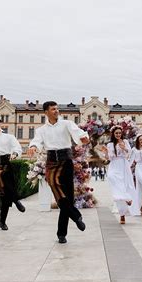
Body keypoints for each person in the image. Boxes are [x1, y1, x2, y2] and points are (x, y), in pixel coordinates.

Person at [28, 101, 89, 244]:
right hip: (51, 162)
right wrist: (32, 146)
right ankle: (76, 216)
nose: (56, 111)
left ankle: (62, 234)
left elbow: (78, 133)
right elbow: (37, 141)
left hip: (66, 161)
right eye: (53, 109)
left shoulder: (66, 124)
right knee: (53, 183)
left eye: (57, 109)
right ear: (46, 112)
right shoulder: (41, 130)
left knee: (67, 198)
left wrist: (83, 138)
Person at [101, 125, 138, 223]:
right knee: (112, 178)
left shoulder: (125, 142)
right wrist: (105, 152)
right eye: (116, 133)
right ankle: (127, 198)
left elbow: (129, 153)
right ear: (113, 134)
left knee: (123, 185)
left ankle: (122, 215)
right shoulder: (110, 144)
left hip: (123, 164)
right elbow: (109, 158)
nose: (118, 134)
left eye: (119, 133)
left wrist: (124, 148)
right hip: (114, 165)